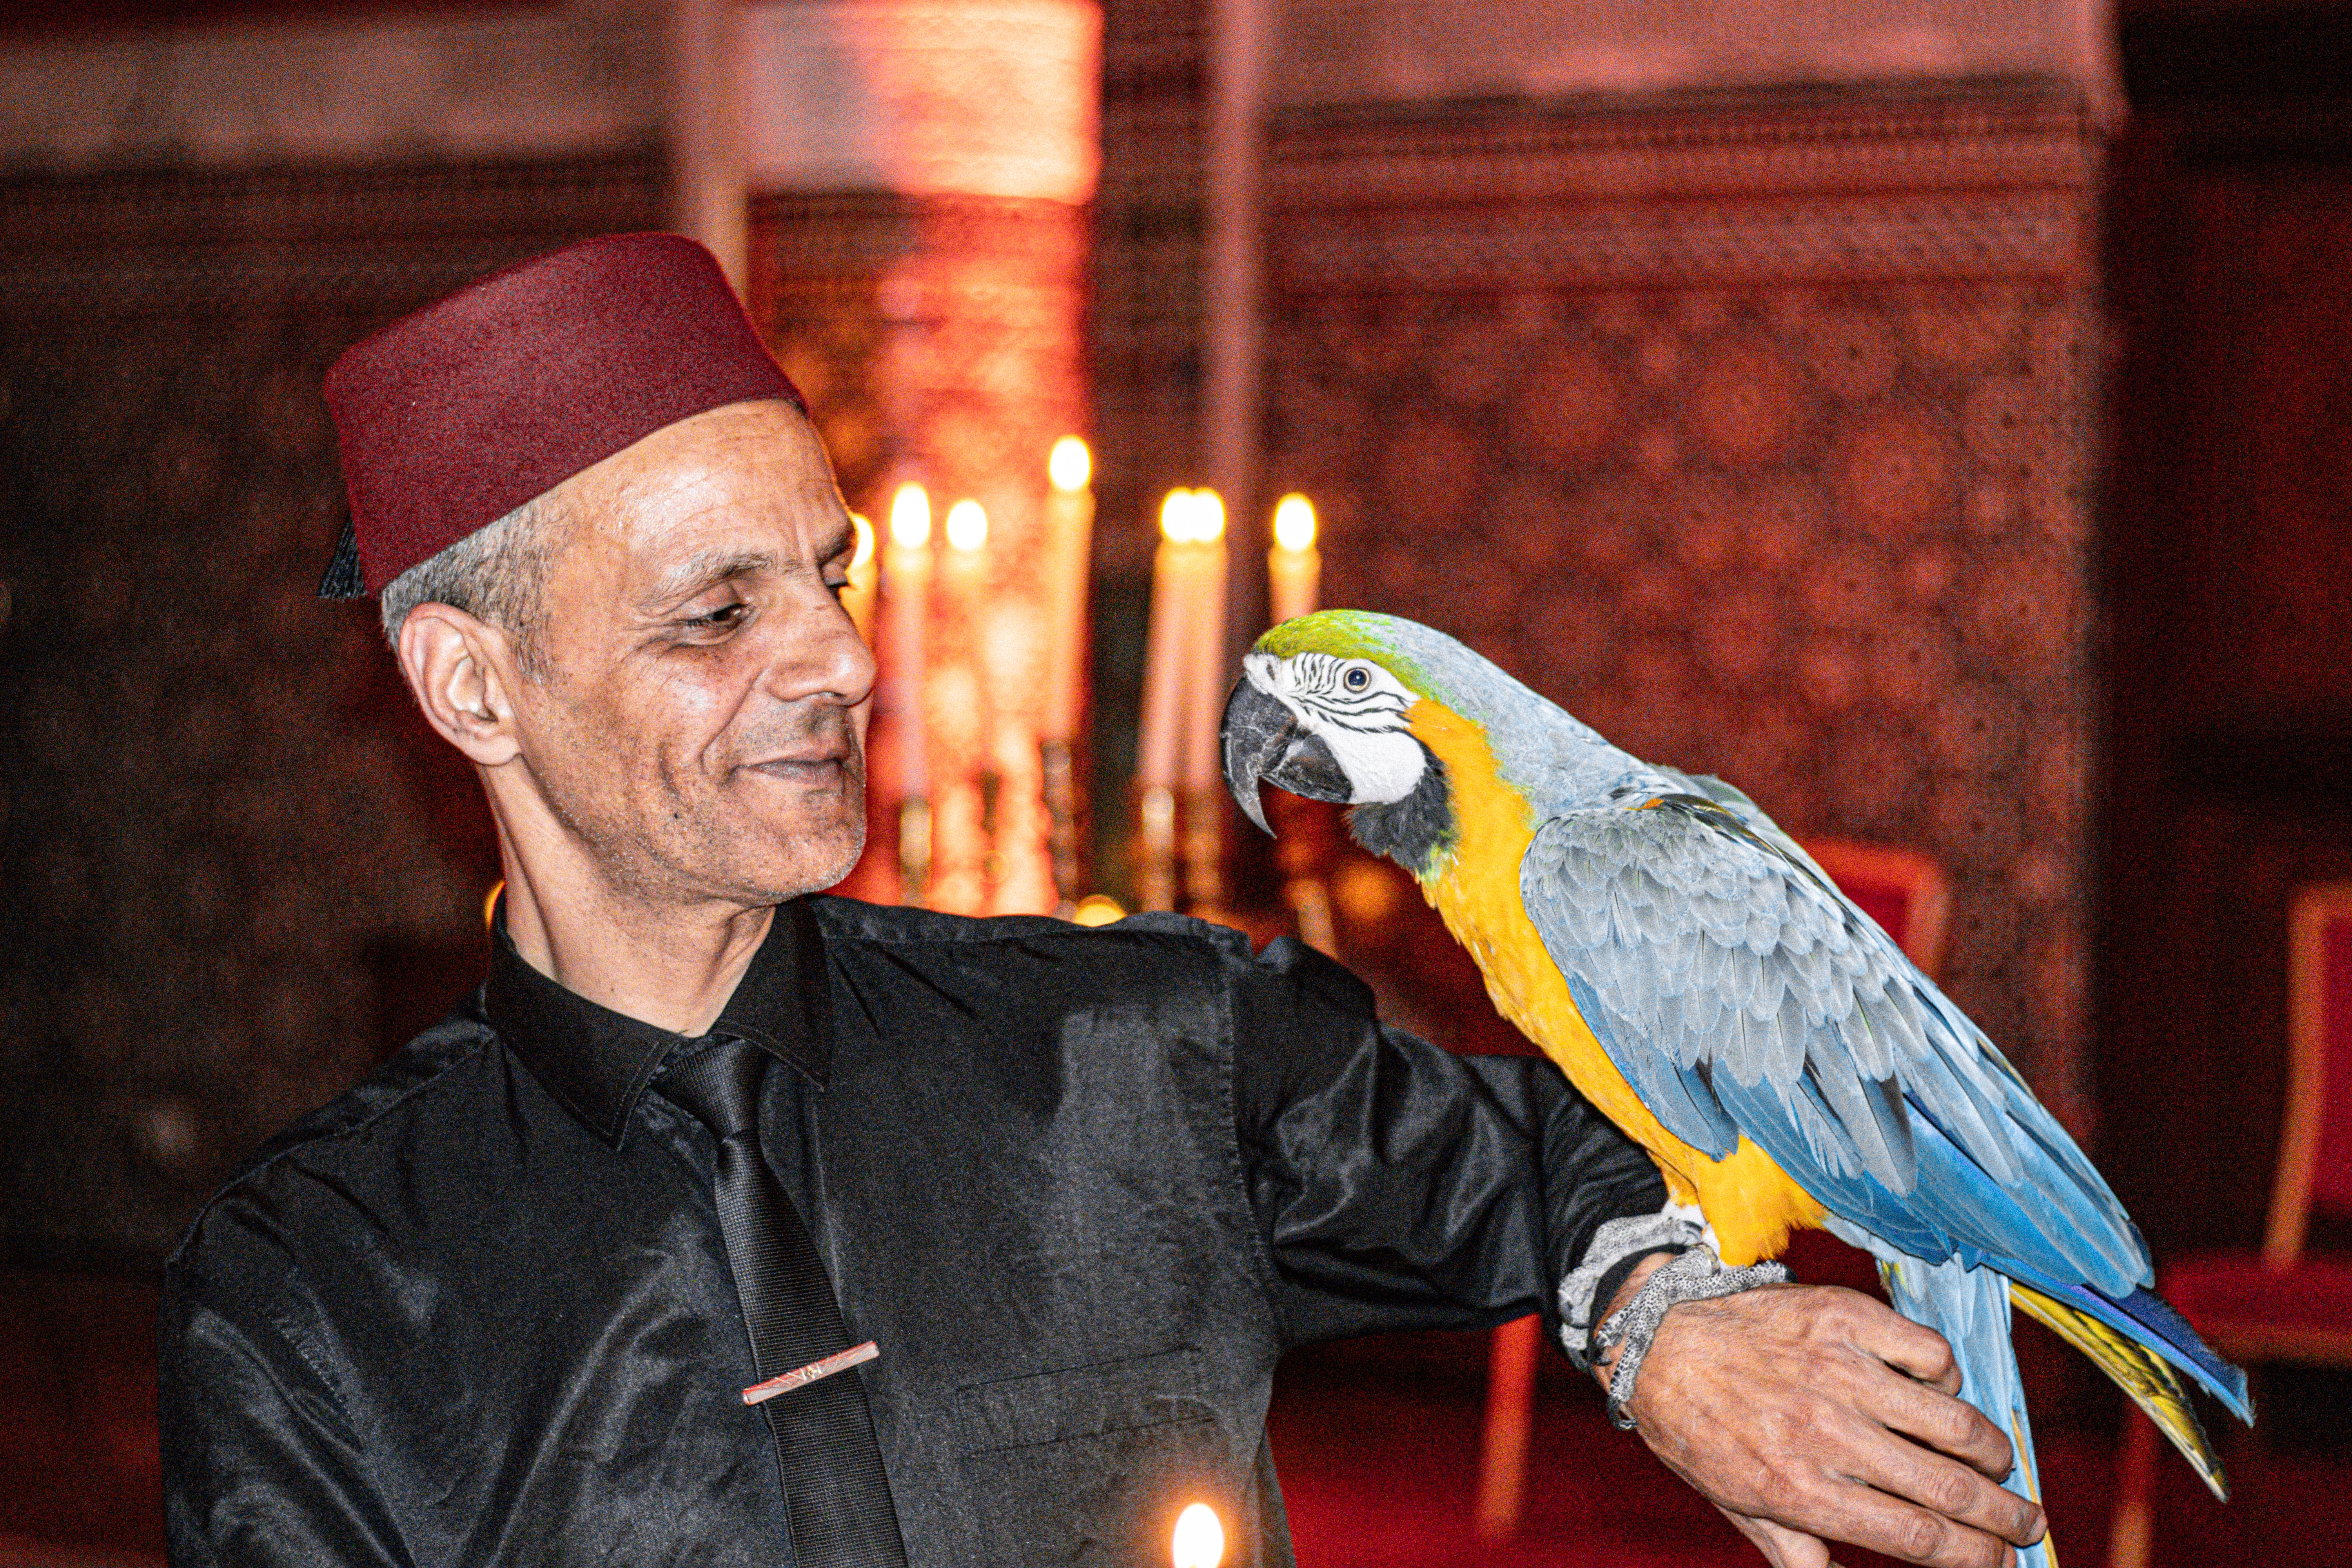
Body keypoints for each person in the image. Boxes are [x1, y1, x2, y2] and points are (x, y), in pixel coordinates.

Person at [159, 234, 2047, 1568]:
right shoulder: (317, 1285)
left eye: (834, 571)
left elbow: (1576, 1134)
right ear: (474, 688)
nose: (837, 659)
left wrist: (1662, 1327)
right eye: (720, 613)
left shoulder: (1145, 1044)